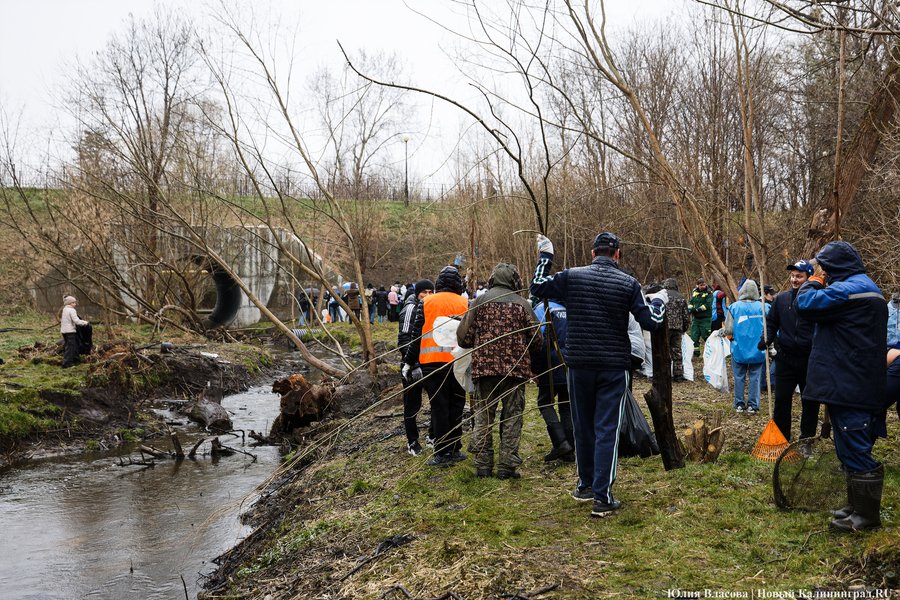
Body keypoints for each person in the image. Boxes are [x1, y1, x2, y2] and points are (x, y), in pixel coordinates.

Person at [530, 232, 666, 518]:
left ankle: (585, 484)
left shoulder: (572, 276)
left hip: (578, 364)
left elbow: (537, 286)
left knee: (582, 426)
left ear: (592, 253)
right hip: (613, 367)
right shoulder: (629, 283)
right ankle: (601, 497)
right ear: (617, 254)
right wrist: (659, 303)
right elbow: (651, 322)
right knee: (607, 429)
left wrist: (546, 256)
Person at [795, 241, 888, 532]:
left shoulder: (851, 290)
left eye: (824, 266)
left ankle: (867, 517)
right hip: (850, 380)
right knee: (847, 445)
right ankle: (855, 507)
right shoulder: (862, 286)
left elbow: (805, 304)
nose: (821, 270)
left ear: (834, 267)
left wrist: (814, 280)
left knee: (856, 444)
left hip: (851, 383)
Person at [457, 263, 542, 479]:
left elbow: (463, 338)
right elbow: (537, 340)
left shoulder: (478, 303)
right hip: (515, 371)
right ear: (515, 280)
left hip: (484, 370)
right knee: (512, 417)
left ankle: (483, 466)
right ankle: (506, 467)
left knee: (483, 416)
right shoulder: (523, 304)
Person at [403, 266, 470, 467]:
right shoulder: (466, 303)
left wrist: (408, 362)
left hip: (432, 364)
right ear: (458, 283)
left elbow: (416, 336)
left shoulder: (426, 302)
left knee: (439, 407)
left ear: (439, 282)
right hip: (459, 363)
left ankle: (441, 453)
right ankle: (455, 448)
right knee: (457, 405)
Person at [758, 260, 817, 441]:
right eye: (792, 276)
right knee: (782, 400)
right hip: (785, 358)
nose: (794, 279)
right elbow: (771, 322)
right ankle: (781, 439)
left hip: (809, 359)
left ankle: (806, 438)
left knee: (810, 401)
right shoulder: (781, 299)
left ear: (808, 278)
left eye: (799, 276)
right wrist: (766, 337)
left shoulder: (817, 299)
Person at [531, 297, 575, 463]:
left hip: (551, 365)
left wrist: (534, 368)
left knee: (544, 402)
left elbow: (538, 341)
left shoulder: (544, 308)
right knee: (566, 406)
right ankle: (569, 450)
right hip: (570, 364)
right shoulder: (570, 307)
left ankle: (561, 443)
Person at [398, 279, 435, 456]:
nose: (427, 296)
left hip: (430, 362)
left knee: (436, 401)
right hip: (411, 365)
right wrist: (412, 364)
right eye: (424, 292)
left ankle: (433, 437)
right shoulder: (410, 308)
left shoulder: (431, 306)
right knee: (412, 406)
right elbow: (404, 339)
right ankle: (412, 442)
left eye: (430, 292)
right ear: (417, 293)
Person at [722, 280, 767, 415]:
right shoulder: (764, 307)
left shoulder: (734, 307)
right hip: (758, 350)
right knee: (755, 378)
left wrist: (720, 332)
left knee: (739, 377)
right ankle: (753, 406)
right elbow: (770, 329)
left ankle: (739, 405)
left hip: (739, 350)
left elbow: (729, 330)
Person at [664, 278, 691, 382]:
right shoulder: (681, 297)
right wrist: (684, 329)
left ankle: (664, 374)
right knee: (677, 351)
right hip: (677, 328)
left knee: (664, 351)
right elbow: (686, 316)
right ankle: (678, 375)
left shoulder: (662, 296)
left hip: (664, 329)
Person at [60, 295, 88, 368]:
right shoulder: (72, 310)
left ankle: (76, 360)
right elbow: (76, 321)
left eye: (74, 303)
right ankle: (66, 364)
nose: (75, 304)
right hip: (70, 332)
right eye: (73, 303)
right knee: (70, 348)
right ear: (69, 303)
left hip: (64, 331)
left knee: (74, 346)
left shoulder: (65, 309)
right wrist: (85, 322)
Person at [688, 277, 714, 356]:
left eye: (704, 284)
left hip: (705, 319)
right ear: (697, 285)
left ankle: (712, 352)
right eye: (701, 285)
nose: (703, 286)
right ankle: (696, 353)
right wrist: (690, 309)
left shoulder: (709, 293)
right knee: (694, 337)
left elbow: (707, 305)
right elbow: (691, 302)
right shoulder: (695, 292)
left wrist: (697, 310)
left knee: (706, 336)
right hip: (696, 319)